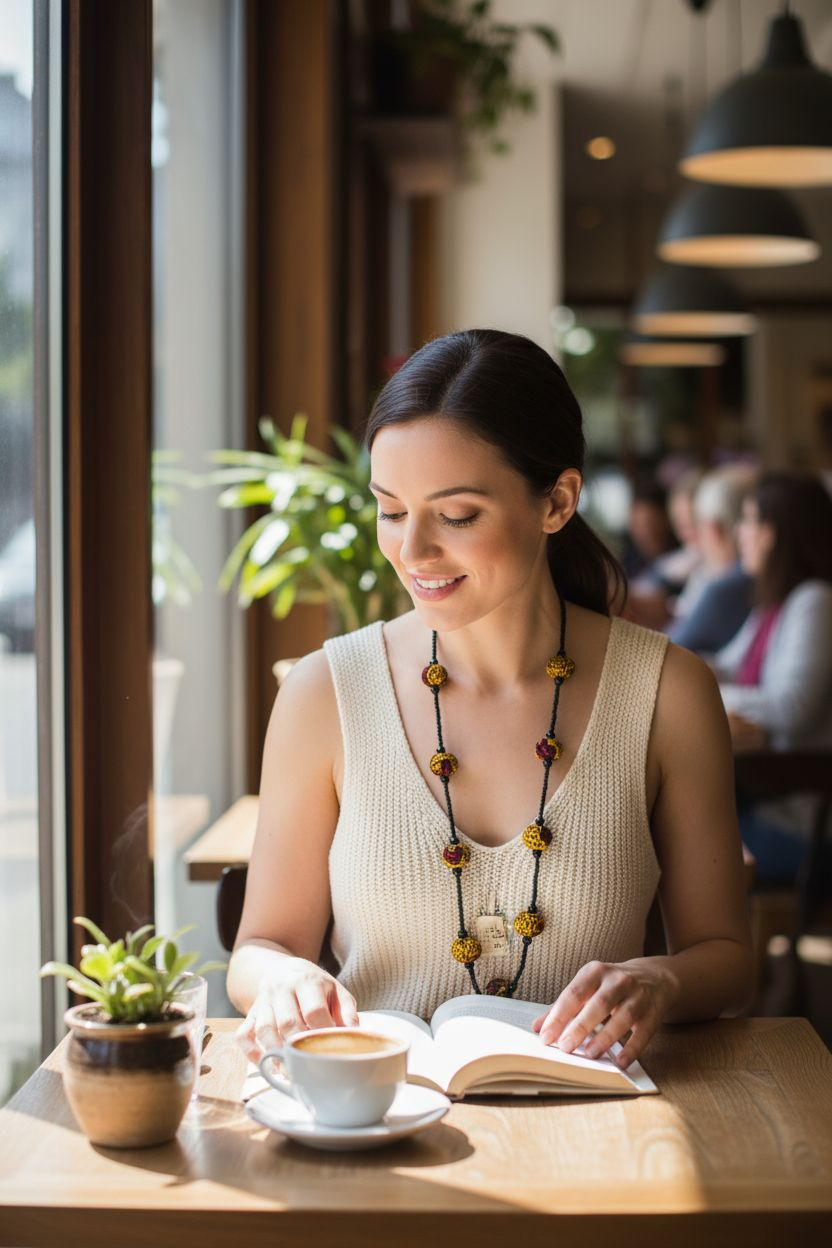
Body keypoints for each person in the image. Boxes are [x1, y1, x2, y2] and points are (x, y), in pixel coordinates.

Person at [228, 329, 752, 1073]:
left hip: (604, 1137)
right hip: (376, 1127)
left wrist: (658, 980)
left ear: (557, 502)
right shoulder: (325, 693)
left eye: (457, 515)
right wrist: (282, 978)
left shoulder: (668, 691)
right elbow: (261, 947)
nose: (412, 552)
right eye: (390, 509)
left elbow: (727, 955)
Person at [713, 471, 832, 883]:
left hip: (803, 821)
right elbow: (724, 665)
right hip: (771, 793)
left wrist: (701, 694)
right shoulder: (776, 603)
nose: (739, 532)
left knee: (674, 842)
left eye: (749, 521)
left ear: (777, 532)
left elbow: (790, 707)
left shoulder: (815, 600)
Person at [669, 463, 757, 655]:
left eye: (697, 525)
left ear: (714, 529)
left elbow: (669, 649)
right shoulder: (757, 578)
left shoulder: (728, 586)